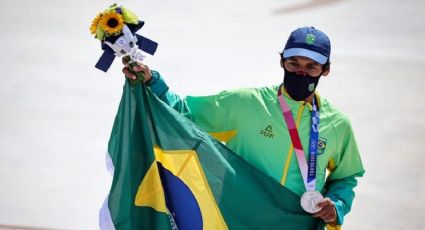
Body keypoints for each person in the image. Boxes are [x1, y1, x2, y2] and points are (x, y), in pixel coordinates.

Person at [122, 26, 365, 229]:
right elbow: (186, 112)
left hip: (297, 224)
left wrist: (337, 205)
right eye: (293, 63)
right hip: (239, 221)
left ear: (326, 70)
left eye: (311, 67)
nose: (301, 72)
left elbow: (346, 175)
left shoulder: (337, 124)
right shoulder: (246, 104)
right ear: (281, 62)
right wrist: (152, 81)